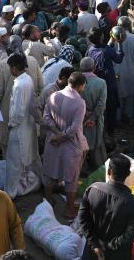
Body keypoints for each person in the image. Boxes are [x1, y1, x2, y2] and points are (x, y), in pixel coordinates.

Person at [42, 72, 89, 219]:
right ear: (80, 85)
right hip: (70, 144)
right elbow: (75, 128)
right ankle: (69, 211)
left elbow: (46, 118)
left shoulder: (54, 96)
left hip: (52, 141)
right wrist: (62, 135)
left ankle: (48, 203)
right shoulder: (79, 102)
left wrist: (56, 133)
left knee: (50, 173)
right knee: (71, 179)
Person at [77, 154, 134, 260]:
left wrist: (95, 245)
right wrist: (106, 247)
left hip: (92, 252)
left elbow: (83, 220)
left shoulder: (92, 189)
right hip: (117, 255)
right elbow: (130, 236)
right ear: (128, 174)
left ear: (108, 172)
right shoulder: (133, 203)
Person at [0, 35, 43, 155]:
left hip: (9, 118)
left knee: (10, 157)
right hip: (30, 119)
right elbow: (41, 87)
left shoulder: (4, 64)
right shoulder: (33, 61)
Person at [5, 54, 41, 199]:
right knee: (25, 159)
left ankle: (9, 195)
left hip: (18, 129)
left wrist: (11, 124)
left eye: (10, 68)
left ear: (14, 68)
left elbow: (18, 113)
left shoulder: (20, 85)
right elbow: (31, 106)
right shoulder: (27, 79)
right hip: (27, 126)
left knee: (13, 164)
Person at [86, 27, 124, 136]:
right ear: (101, 37)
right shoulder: (107, 50)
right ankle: (110, 132)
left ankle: (99, 131)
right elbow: (118, 58)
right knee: (110, 109)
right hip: (108, 85)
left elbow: (105, 51)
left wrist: (111, 42)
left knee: (97, 108)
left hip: (94, 85)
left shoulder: (90, 50)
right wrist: (120, 44)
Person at [79, 57, 108, 171]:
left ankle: (82, 168)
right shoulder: (101, 83)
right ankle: (96, 168)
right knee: (96, 142)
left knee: (80, 143)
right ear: (94, 67)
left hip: (80, 117)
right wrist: (92, 118)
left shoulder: (76, 80)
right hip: (95, 120)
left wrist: (85, 113)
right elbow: (101, 104)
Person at [114, 16, 134, 124]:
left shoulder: (114, 38)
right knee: (129, 95)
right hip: (130, 71)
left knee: (118, 96)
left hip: (116, 71)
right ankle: (128, 117)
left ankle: (117, 119)